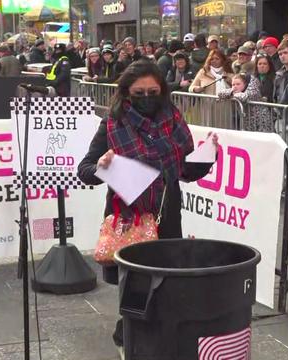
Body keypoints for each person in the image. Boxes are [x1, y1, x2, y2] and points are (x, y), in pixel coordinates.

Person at [77, 60, 217, 357]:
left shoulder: (174, 120)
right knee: (135, 287)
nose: (147, 97)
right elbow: (84, 170)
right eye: (139, 92)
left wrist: (208, 156)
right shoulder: (113, 123)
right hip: (130, 217)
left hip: (167, 213)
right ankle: (127, 338)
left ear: (162, 90)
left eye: (153, 91)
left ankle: (156, 337)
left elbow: (185, 170)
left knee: (166, 281)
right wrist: (101, 166)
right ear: (127, 93)